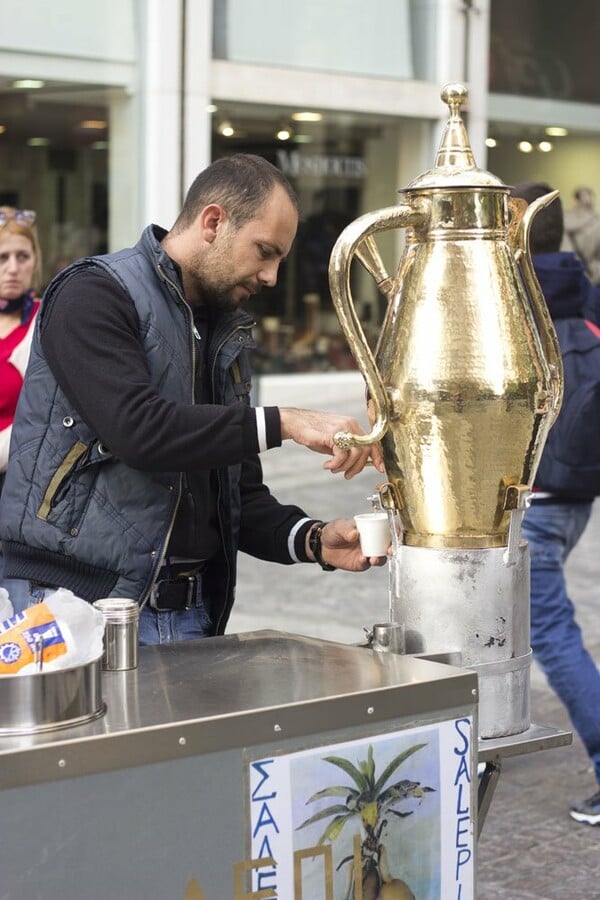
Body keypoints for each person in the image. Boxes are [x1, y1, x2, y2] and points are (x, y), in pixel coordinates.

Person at [0, 153, 385, 645]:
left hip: (189, 615)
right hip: (74, 609)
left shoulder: (224, 330)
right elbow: (140, 431)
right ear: (213, 221)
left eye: (280, 260)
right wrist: (285, 421)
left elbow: (235, 498)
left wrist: (314, 540)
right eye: (265, 251)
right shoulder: (93, 293)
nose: (271, 277)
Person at [512, 181, 600, 826]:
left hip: (529, 495)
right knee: (504, 619)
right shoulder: (588, 294)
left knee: (547, 631)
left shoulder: (513, 301)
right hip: (574, 495)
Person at [0, 207, 42, 614]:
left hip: (18, 500)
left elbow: (46, 415)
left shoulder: (46, 322)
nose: (13, 268)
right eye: (2, 258)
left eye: (22, 257)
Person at [562, 186, 600, 286]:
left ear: (574, 201)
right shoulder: (598, 223)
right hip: (595, 279)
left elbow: (564, 254)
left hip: (571, 279)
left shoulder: (563, 222)